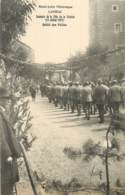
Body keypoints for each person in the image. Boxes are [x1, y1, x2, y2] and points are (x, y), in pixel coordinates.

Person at [0, 86, 22, 195]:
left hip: (8, 154)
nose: (9, 101)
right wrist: (7, 154)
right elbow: (0, 136)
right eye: (6, 99)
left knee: (10, 181)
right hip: (5, 156)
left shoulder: (3, 111)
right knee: (6, 182)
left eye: (9, 99)